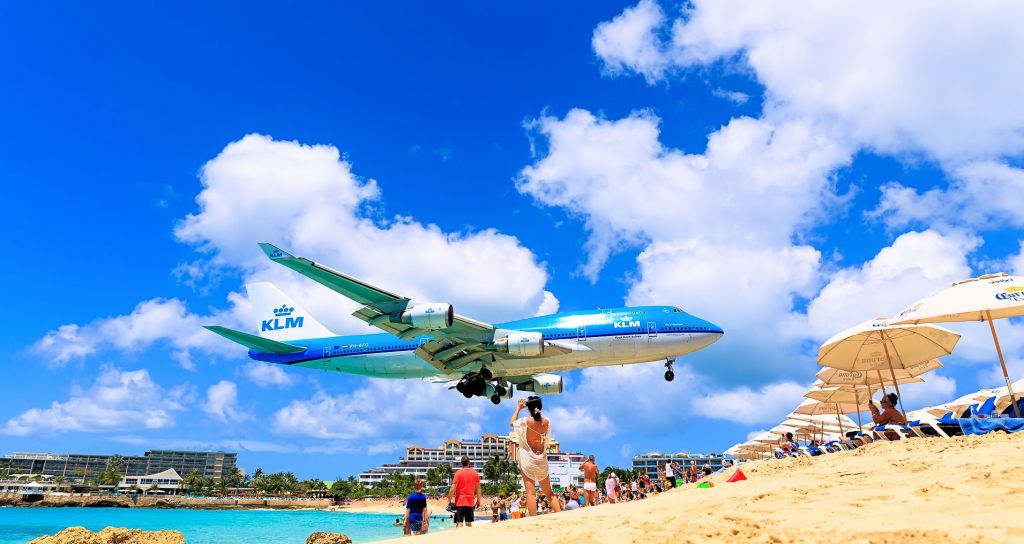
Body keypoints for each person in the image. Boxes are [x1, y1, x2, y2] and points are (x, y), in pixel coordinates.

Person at [510, 396, 562, 517]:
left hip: (528, 459)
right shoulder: (547, 422)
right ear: (540, 407)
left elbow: (512, 423)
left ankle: (533, 518)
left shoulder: (526, 421)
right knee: (549, 492)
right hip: (541, 460)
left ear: (529, 408)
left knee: (531, 492)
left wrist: (518, 408)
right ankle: (559, 515)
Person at [446, 455, 482, 528]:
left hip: (459, 502)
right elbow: (478, 489)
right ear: (469, 463)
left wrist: (449, 500)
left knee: (459, 523)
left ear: (461, 463)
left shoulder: (458, 473)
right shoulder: (475, 473)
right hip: (470, 502)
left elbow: (453, 488)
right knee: (469, 523)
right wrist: (478, 500)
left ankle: (459, 538)